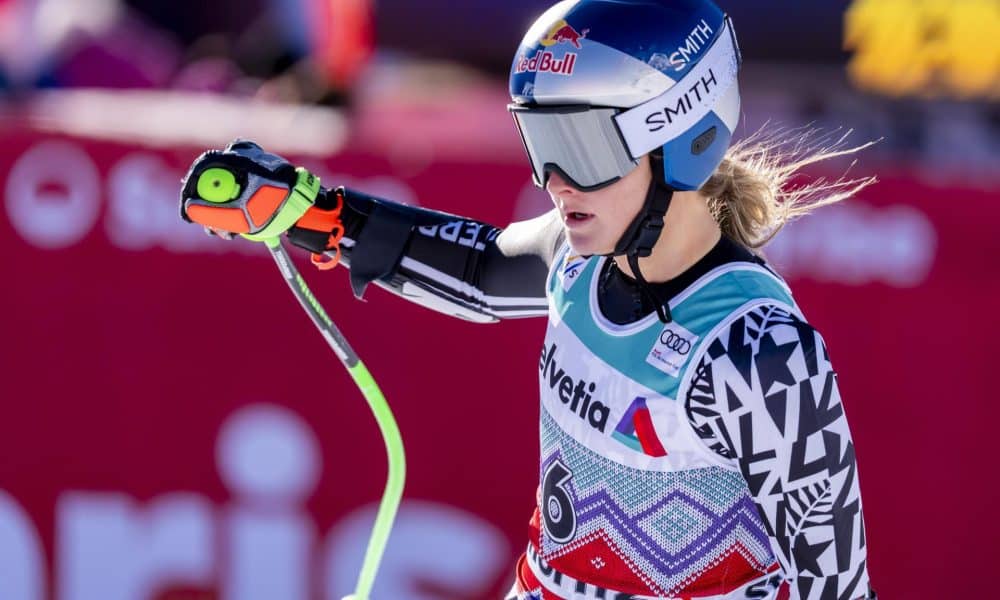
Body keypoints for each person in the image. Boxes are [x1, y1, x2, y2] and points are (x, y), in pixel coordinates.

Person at [180, 1, 877, 598]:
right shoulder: (578, 259)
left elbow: (836, 583)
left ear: (681, 137)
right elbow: (482, 269)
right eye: (542, 142)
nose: (555, 181)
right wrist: (312, 212)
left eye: (583, 148)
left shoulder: (757, 350)